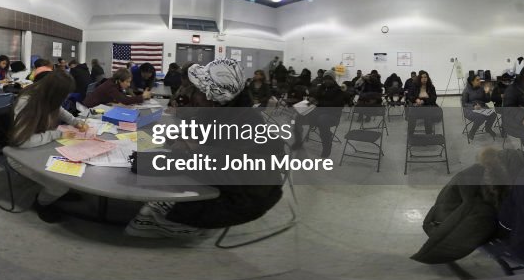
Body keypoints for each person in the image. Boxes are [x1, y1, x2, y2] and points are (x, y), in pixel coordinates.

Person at [126, 59, 283, 239]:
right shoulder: (217, 110)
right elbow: (194, 135)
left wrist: (191, 150)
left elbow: (222, 167)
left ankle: (188, 228)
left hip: (244, 197)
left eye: (200, 91)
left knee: (149, 211)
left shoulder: (247, 123)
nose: (195, 96)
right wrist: (176, 140)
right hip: (225, 180)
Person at [7, 70, 89, 222]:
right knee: (60, 185)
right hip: (19, 155)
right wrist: (57, 134)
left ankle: (56, 192)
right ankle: (42, 203)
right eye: (64, 95)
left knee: (72, 170)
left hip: (38, 145)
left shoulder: (46, 95)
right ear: (55, 93)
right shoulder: (27, 102)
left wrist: (75, 122)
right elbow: (22, 141)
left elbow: (59, 109)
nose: (66, 98)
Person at [292, 71, 344, 157]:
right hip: (317, 113)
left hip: (332, 116)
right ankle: (298, 141)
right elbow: (315, 97)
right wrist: (310, 100)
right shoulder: (321, 88)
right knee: (297, 117)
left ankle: (327, 146)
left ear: (333, 80)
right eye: (325, 79)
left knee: (322, 120)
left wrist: (319, 103)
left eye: (329, 79)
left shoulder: (339, 90)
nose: (327, 81)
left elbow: (336, 106)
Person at [82, 68, 149, 108]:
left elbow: (121, 96)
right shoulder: (111, 86)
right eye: (127, 82)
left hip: (99, 105)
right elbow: (125, 100)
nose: (129, 85)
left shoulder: (114, 82)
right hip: (90, 108)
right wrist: (142, 97)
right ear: (120, 80)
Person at [462, 74, 497, 140]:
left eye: (479, 80)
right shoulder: (466, 91)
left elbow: (487, 101)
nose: (480, 81)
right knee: (480, 117)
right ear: (472, 82)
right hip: (470, 110)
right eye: (477, 80)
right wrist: (473, 106)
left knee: (493, 115)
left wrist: (487, 92)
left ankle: (488, 128)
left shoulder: (481, 89)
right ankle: (472, 132)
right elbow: (464, 104)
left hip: (482, 108)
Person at [405, 70, 438, 135]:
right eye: (422, 77)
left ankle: (428, 135)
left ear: (427, 78)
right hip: (417, 107)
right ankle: (410, 135)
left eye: (425, 77)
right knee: (412, 116)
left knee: (428, 116)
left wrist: (424, 101)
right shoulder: (414, 86)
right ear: (419, 78)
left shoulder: (431, 87)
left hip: (428, 106)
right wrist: (416, 99)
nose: (424, 79)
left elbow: (434, 98)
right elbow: (409, 96)